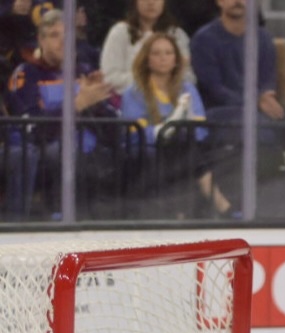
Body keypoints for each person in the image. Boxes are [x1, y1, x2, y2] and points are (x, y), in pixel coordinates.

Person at [4, 8, 116, 216]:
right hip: (44, 151)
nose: (62, 41)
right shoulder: (26, 74)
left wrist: (96, 103)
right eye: (55, 35)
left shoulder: (83, 71)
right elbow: (32, 127)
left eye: (68, 35)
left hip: (87, 152)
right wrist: (76, 105)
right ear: (41, 40)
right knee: (61, 151)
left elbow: (114, 128)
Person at [120, 32, 232, 217]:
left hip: (183, 147)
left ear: (176, 59)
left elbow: (200, 127)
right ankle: (219, 203)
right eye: (156, 53)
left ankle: (180, 212)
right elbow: (134, 133)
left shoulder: (187, 89)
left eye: (168, 53)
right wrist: (162, 131)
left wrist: (178, 131)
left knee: (185, 145)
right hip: (147, 152)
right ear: (146, 59)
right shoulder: (134, 92)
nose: (163, 58)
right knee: (182, 147)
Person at [189, 0, 285, 148]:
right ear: (219, 2)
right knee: (251, 122)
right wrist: (255, 102)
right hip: (217, 110)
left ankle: (282, 167)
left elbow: (267, 81)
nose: (237, 1)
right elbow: (214, 89)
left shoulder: (263, 38)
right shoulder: (203, 39)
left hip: (257, 108)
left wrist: (265, 96)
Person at [100, 0, 192, 95]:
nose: (151, 2)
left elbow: (189, 77)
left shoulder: (177, 35)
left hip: (172, 100)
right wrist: (152, 79)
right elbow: (109, 78)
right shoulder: (120, 32)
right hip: (129, 101)